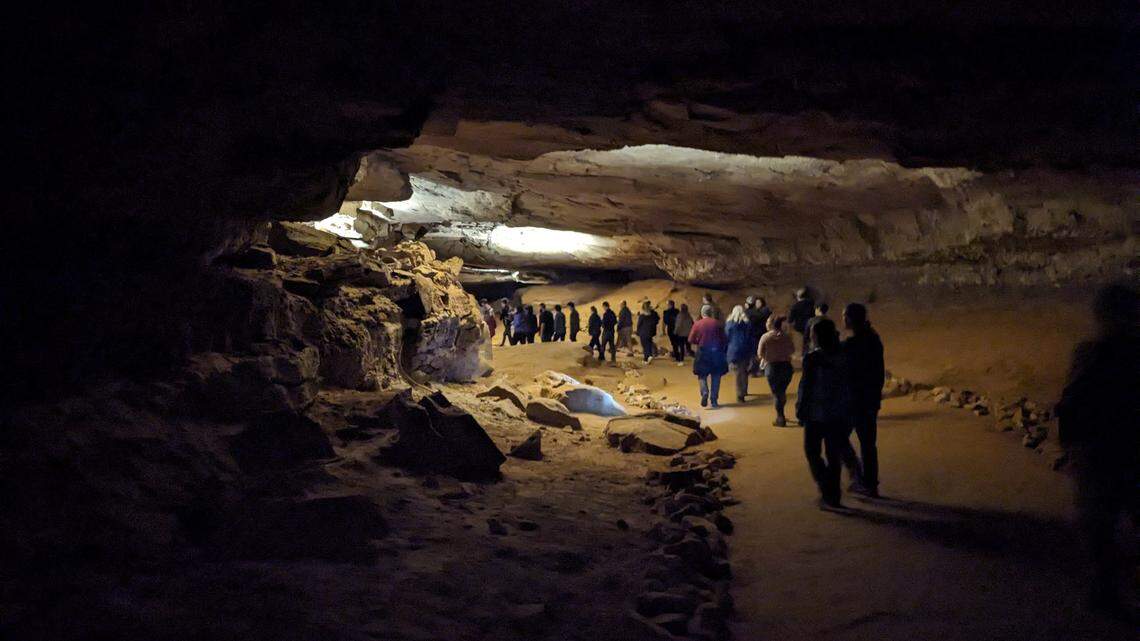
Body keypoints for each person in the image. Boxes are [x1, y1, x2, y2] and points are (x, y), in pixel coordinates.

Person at [1057, 281, 1140, 617]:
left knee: (1099, 527)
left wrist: (1071, 448)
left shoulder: (1090, 353)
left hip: (1099, 454)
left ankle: (1104, 593)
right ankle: (1105, 591)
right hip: (1126, 451)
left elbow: (1072, 403)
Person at [796, 318, 851, 509]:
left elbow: (806, 386)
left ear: (818, 336)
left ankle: (827, 488)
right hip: (838, 412)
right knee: (833, 455)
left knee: (812, 451)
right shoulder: (844, 355)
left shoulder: (813, 359)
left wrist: (801, 408)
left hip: (816, 413)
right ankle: (833, 494)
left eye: (813, 333)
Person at [839, 303, 885, 498]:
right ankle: (870, 484)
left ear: (850, 318)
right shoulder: (873, 339)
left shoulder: (854, 345)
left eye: (844, 316)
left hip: (855, 400)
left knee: (838, 437)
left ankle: (857, 475)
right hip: (869, 399)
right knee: (868, 443)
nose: (842, 319)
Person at [688, 305, 729, 408]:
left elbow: (690, 339)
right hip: (717, 352)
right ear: (711, 313)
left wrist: (698, 341)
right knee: (716, 376)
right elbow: (724, 339)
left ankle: (704, 391)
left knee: (702, 375)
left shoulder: (698, 324)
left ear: (702, 313)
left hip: (703, 351)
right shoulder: (718, 323)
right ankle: (714, 400)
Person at [759, 315, 795, 426]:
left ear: (770, 324)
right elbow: (792, 350)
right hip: (786, 367)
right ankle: (781, 414)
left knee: (777, 394)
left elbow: (760, 353)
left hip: (772, 368)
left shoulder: (765, 337)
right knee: (782, 391)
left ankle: (780, 417)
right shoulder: (787, 336)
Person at [725, 305, 753, 403]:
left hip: (734, 349)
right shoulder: (747, 324)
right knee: (744, 370)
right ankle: (744, 390)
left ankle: (740, 394)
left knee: (737, 373)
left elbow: (727, 337)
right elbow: (750, 337)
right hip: (745, 348)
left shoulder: (729, 324)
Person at [745, 296, 771, 376]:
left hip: (760, 334)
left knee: (760, 352)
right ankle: (757, 369)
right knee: (757, 352)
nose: (757, 304)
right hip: (756, 334)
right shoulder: (757, 312)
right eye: (756, 303)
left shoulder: (763, 311)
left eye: (758, 302)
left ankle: (760, 369)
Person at [788, 287, 816, 356]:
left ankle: (805, 356)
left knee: (805, 342)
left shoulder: (795, 306)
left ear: (798, 296)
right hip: (811, 325)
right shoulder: (811, 303)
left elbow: (790, 319)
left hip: (800, 327)